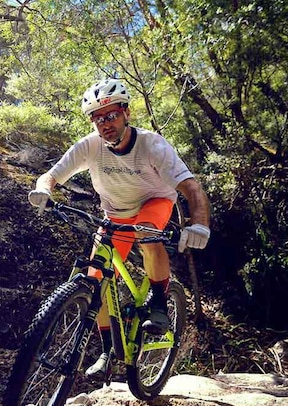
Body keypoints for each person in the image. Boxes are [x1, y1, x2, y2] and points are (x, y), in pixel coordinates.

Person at [28, 78, 211, 378]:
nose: (104, 124)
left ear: (127, 113)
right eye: (97, 118)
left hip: (154, 203)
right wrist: (44, 190)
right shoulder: (90, 146)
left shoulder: (152, 145)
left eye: (111, 115)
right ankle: (107, 350)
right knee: (95, 277)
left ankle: (160, 303)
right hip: (114, 213)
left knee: (145, 229)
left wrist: (200, 225)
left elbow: (191, 188)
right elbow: (51, 175)